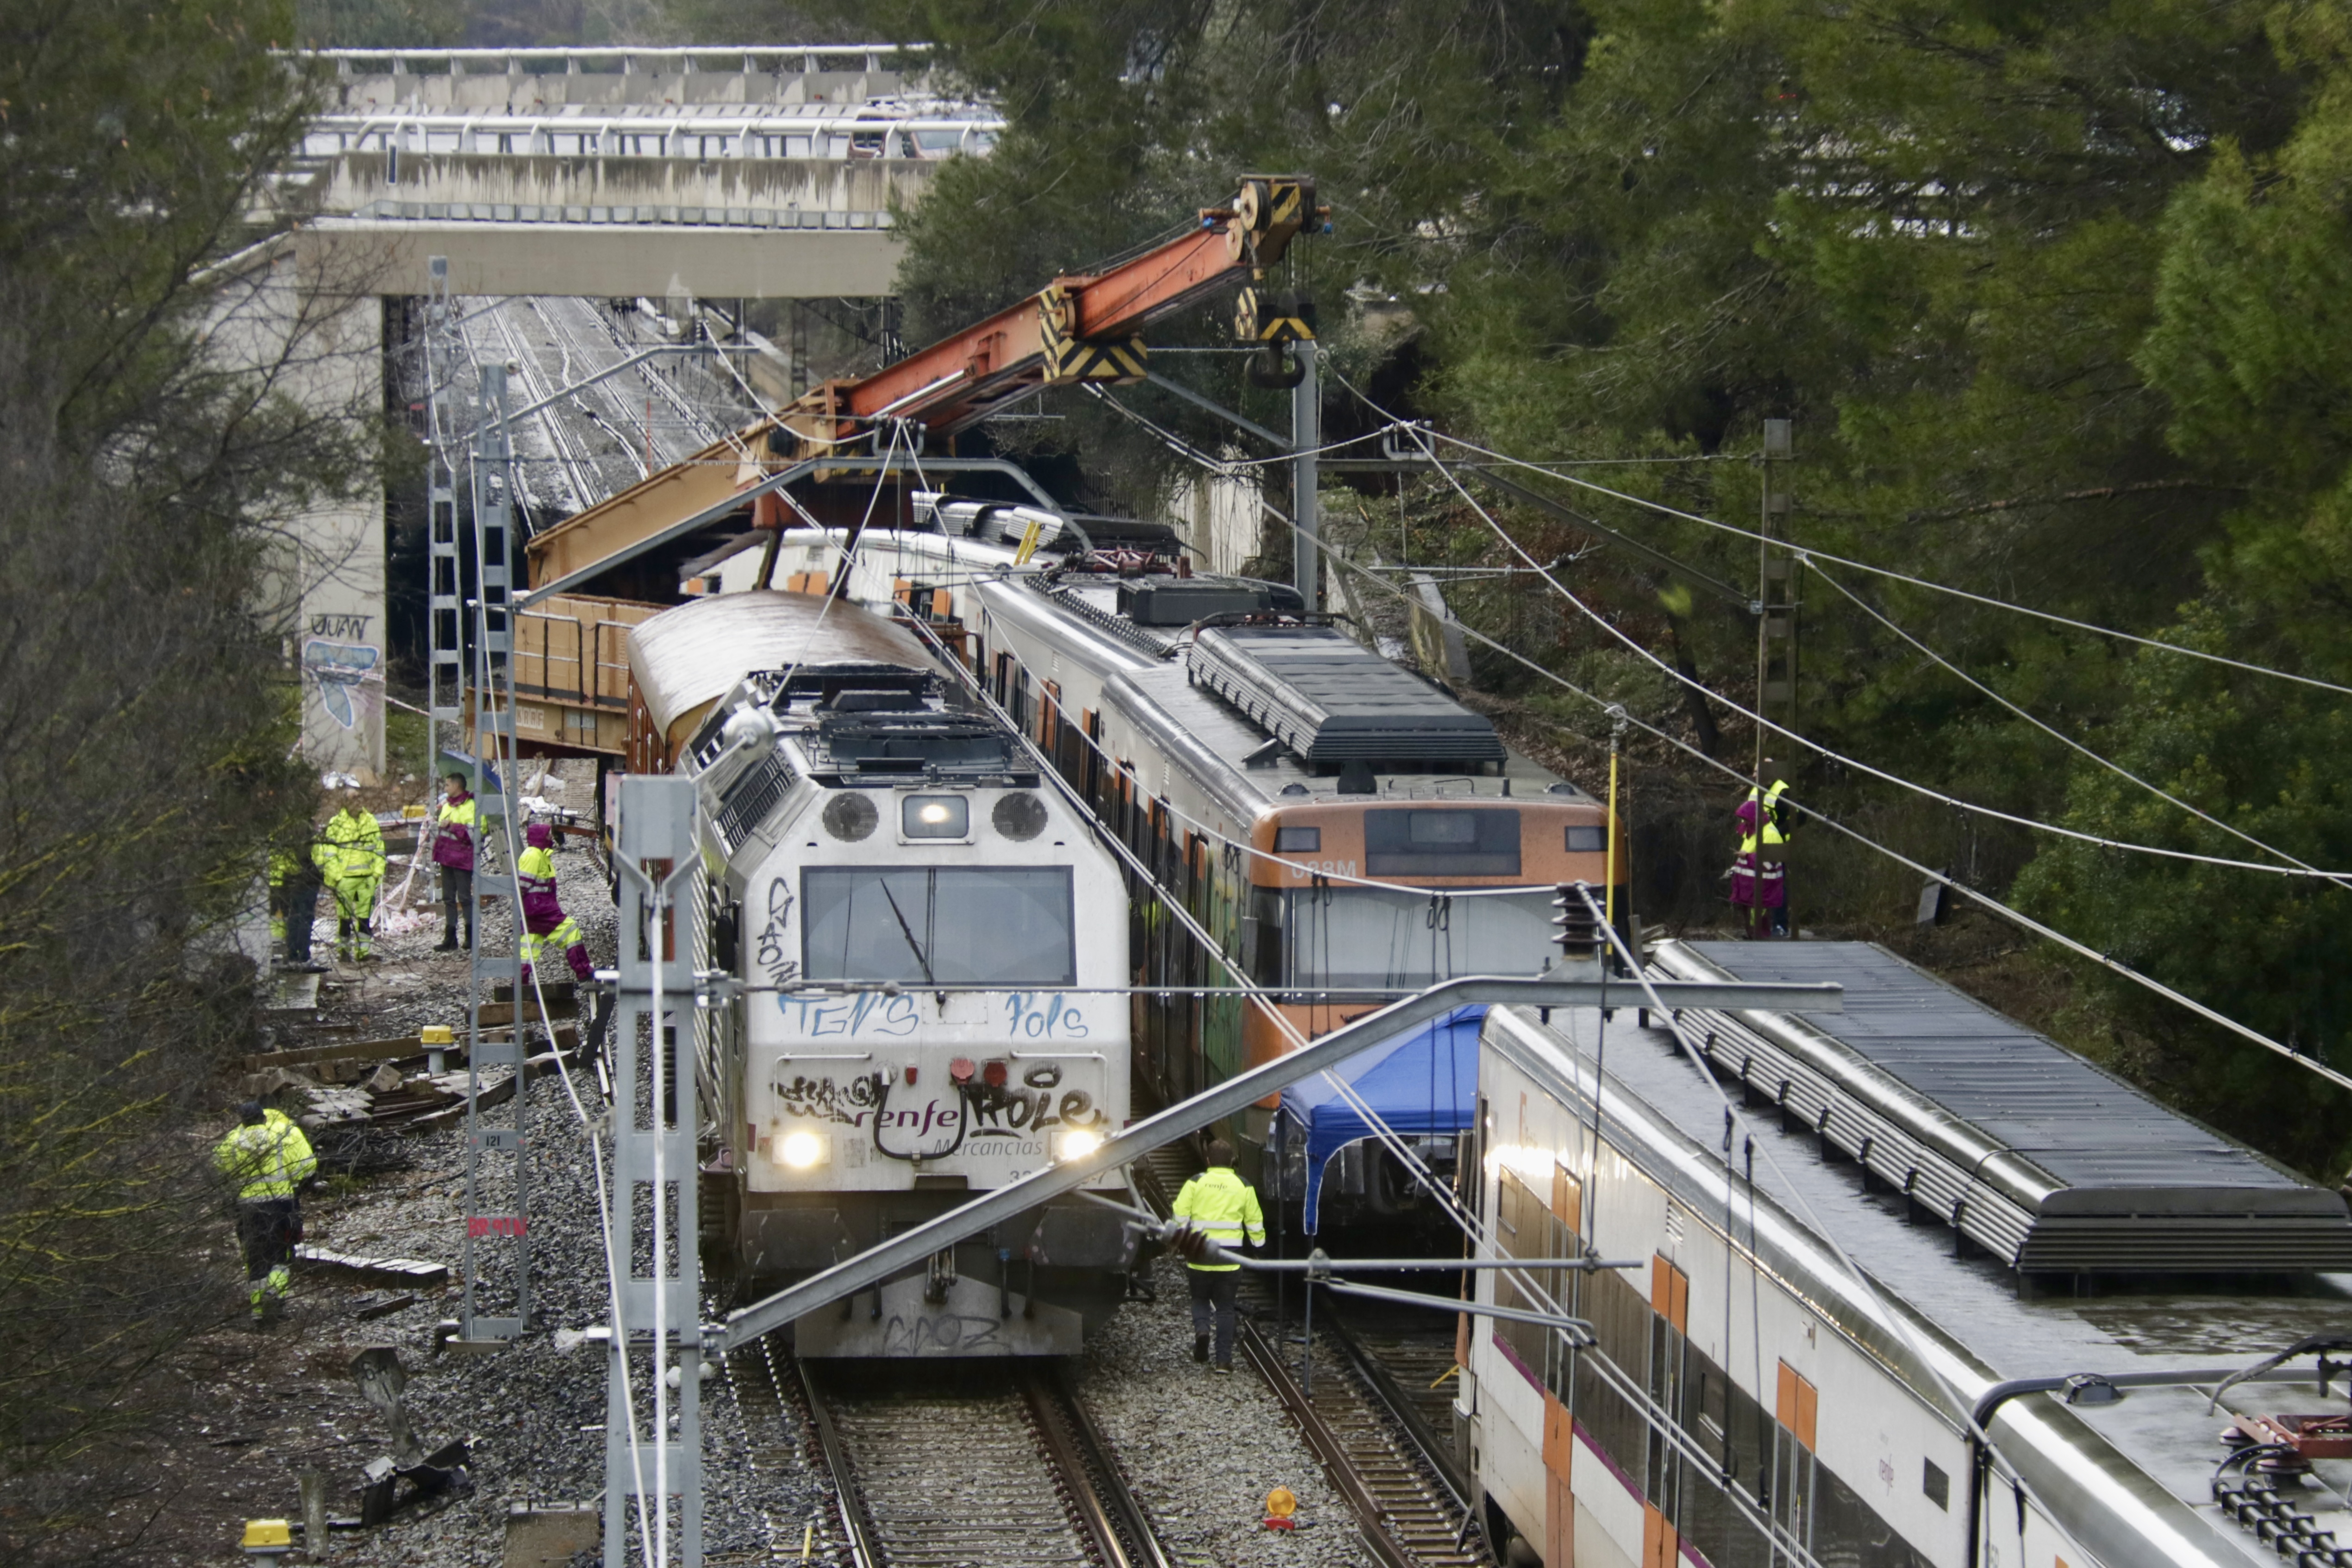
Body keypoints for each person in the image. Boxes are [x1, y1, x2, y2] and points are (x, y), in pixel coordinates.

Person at [212, 1100, 317, 1329]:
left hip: (248, 1209)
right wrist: (296, 1185)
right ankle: (275, 1295)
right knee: (283, 1253)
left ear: (242, 1121)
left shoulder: (231, 1141)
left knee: (255, 1259)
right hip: (282, 1205)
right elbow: (308, 1167)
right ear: (264, 1118)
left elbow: (218, 1168)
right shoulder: (286, 1133)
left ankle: (259, 1313)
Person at [1171, 1137, 1264, 1373]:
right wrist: (1259, 1246)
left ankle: (1202, 1330)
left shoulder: (1196, 1183)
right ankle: (1223, 1361)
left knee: (1200, 1299)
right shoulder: (1243, 1185)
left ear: (1209, 1160)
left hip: (1200, 1253)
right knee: (1226, 1308)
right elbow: (1254, 1221)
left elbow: (1180, 1215)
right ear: (1232, 1161)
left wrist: (1182, 1240)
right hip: (1230, 1259)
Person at [518, 819, 594, 983]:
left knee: (527, 948)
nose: (551, 837)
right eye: (548, 834)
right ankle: (584, 972)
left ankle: (519, 984)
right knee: (570, 931)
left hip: (534, 909)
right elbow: (522, 885)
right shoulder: (534, 855)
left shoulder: (539, 855)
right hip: (541, 910)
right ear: (541, 837)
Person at [318, 790, 387, 962]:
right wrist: (337, 876)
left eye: (359, 797)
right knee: (345, 919)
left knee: (364, 918)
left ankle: (363, 953)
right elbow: (329, 852)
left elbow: (379, 849)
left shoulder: (370, 821)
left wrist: (376, 873)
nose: (357, 802)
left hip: (366, 879)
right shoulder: (337, 824)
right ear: (345, 802)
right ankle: (344, 952)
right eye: (353, 799)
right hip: (346, 879)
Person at [267, 828, 326, 971]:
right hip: (308, 881)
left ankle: (293, 956)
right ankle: (304, 957)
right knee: (305, 918)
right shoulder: (309, 834)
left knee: (294, 918)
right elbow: (320, 860)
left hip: (290, 882)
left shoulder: (282, 833)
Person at [431, 770, 477, 952]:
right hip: (447, 858)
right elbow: (441, 832)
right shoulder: (447, 806)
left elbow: (474, 834)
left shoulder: (472, 806)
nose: (445, 788)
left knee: (465, 898)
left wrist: (452, 826)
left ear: (457, 786)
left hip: (463, 860)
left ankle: (471, 937)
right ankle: (450, 938)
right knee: (448, 898)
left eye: (448, 785)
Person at [1732, 797, 1789, 938]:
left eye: (1746, 819)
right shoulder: (1753, 831)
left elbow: (1771, 861)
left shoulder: (1770, 834)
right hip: (1749, 885)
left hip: (1763, 886)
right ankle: (1753, 936)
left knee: (1759, 915)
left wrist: (1747, 857)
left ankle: (1759, 938)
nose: (1744, 823)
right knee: (1751, 914)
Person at [1749, 757, 1796, 839]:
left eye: (1757, 772)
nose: (1754, 775)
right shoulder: (1755, 789)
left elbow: (1799, 817)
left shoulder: (1783, 791)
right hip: (1754, 839)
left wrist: (1778, 832)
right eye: (1754, 772)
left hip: (1777, 841)